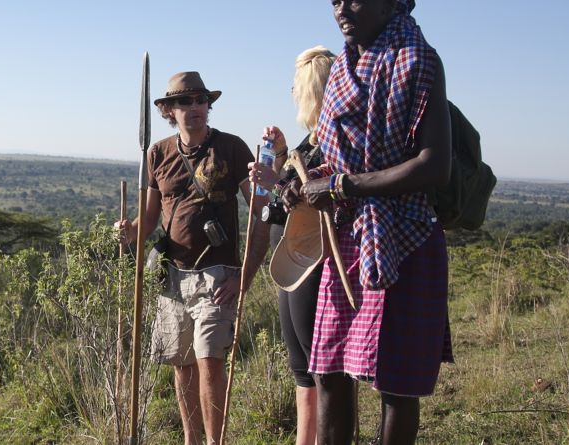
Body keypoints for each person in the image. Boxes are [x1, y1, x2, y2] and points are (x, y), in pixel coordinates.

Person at [253, 1, 454, 443]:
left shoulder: (417, 60)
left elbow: (435, 165)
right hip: (347, 239)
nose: (342, 8)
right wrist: (302, 187)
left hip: (405, 235)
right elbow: (341, 159)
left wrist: (343, 188)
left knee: (396, 385)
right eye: (335, 0)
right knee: (327, 371)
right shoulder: (343, 70)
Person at [116, 71, 269, 445]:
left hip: (218, 274)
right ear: (170, 109)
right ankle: (192, 440)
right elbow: (150, 218)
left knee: (210, 362)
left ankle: (215, 442)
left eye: (201, 100)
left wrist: (242, 279)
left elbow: (261, 212)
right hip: (173, 275)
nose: (196, 108)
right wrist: (130, 231)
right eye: (186, 101)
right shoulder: (158, 153)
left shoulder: (232, 148)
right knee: (182, 365)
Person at [250, 45, 336, 445]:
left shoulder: (337, 139)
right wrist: (283, 156)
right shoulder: (315, 138)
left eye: (296, 88)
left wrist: (277, 181)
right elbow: (290, 198)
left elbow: (311, 195)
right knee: (302, 368)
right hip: (296, 261)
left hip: (316, 263)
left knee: (319, 369)